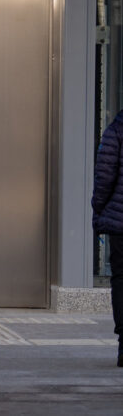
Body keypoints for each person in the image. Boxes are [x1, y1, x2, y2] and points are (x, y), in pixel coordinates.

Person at [91, 111, 123, 368]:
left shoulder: (116, 129)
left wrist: (99, 209)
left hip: (120, 222)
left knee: (122, 279)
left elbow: (104, 177)